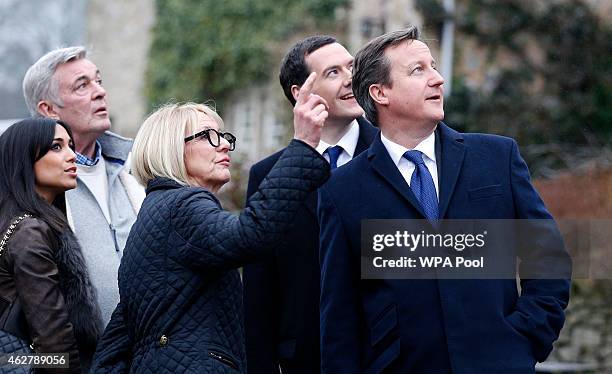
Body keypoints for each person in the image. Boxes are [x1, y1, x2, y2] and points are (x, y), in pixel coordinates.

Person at [318, 27, 572, 373]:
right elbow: (339, 318)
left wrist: (523, 339)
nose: (438, 79)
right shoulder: (341, 190)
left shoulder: (497, 157)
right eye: (418, 70)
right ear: (380, 92)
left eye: (433, 66)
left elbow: (548, 258)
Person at [91, 91, 330, 372]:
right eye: (207, 136)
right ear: (171, 148)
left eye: (223, 136)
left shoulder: (156, 211)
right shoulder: (182, 205)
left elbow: (120, 338)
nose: (224, 146)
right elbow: (251, 234)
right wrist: (302, 145)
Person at [242, 35, 377, 374]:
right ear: (300, 93)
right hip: (304, 359)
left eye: (351, 66)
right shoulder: (267, 175)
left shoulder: (391, 156)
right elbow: (259, 293)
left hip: (385, 355)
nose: (351, 78)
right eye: (333, 72)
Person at [22, 47, 145, 325]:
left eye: (98, 81)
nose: (100, 92)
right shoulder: (30, 190)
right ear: (49, 109)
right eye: (82, 85)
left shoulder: (136, 167)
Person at [0, 118, 103, 372]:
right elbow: (53, 341)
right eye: (57, 147)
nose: (73, 156)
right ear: (23, 159)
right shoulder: (29, 232)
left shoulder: (33, 224)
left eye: (71, 146)